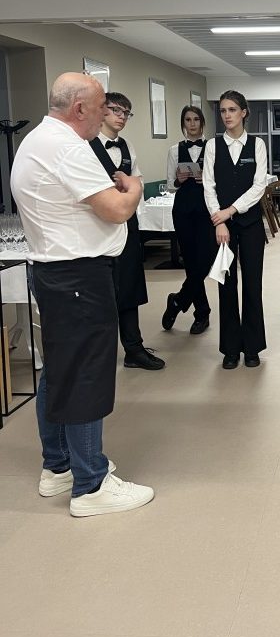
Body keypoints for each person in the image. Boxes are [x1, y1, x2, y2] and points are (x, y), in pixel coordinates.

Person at [10, 72, 154, 517]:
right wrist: (134, 187)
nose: (105, 115)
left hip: (54, 273)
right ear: (79, 109)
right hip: (78, 278)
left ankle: (58, 466)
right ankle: (90, 484)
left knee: (60, 370)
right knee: (87, 374)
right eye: (100, 107)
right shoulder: (68, 147)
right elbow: (116, 209)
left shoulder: (35, 140)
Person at [90, 92, 164, 371]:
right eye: (116, 110)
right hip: (98, 227)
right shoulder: (86, 145)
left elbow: (138, 182)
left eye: (126, 113)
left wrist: (136, 218)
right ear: (102, 111)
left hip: (128, 224)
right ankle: (100, 354)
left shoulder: (127, 146)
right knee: (102, 291)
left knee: (130, 287)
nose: (121, 117)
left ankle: (134, 348)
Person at [203, 90, 268, 369]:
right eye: (223, 110)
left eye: (232, 110)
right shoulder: (212, 146)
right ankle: (230, 349)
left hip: (250, 224)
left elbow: (259, 186)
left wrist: (230, 211)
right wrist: (219, 221)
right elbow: (208, 186)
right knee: (226, 286)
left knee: (252, 284)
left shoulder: (257, 145)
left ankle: (252, 347)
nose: (227, 115)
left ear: (243, 112)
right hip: (222, 228)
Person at [162, 105, 215, 335]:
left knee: (206, 260)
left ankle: (178, 300)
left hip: (206, 210)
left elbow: (220, 182)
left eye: (196, 119)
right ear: (183, 123)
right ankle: (202, 313)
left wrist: (207, 180)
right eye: (187, 120)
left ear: (202, 122)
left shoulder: (213, 148)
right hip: (183, 210)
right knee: (192, 263)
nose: (192, 124)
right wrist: (178, 179)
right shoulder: (175, 150)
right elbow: (169, 186)